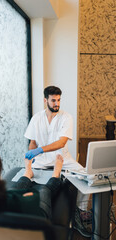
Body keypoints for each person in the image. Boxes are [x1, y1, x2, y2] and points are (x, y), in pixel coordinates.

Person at [24, 86, 92, 237]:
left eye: (59, 100)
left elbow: (61, 143)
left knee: (86, 176)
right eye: (53, 100)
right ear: (45, 100)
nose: (57, 103)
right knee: (25, 178)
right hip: (41, 161)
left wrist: (40, 150)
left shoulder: (66, 117)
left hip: (62, 159)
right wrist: (31, 152)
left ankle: (81, 212)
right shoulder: (36, 118)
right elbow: (33, 142)